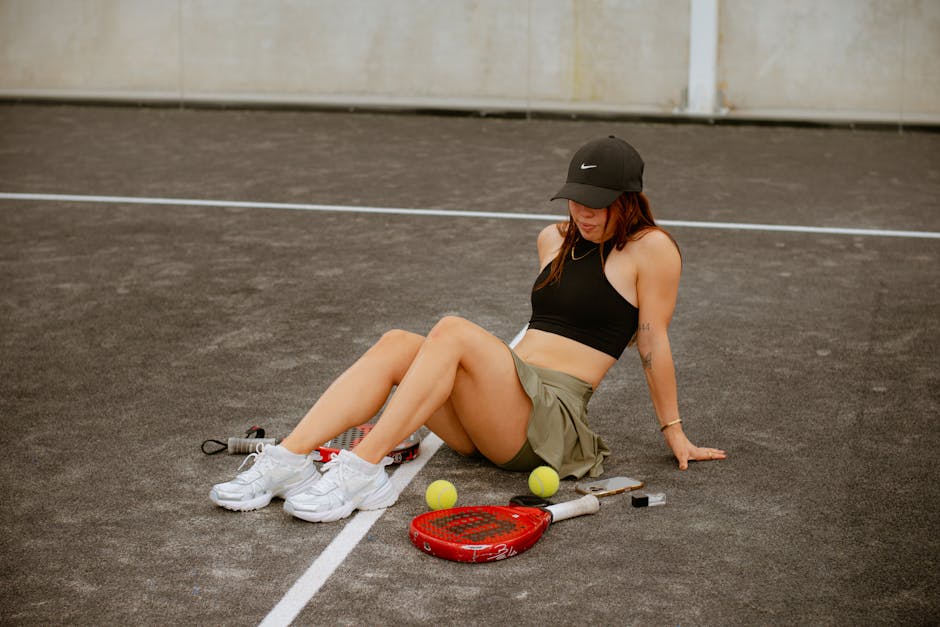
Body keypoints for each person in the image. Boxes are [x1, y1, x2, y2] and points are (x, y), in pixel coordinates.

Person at [209, 135, 726, 523]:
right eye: (576, 198)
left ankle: (362, 472)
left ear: (628, 199)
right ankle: (289, 460)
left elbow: (653, 340)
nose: (583, 211)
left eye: (597, 202)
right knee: (398, 344)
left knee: (452, 330)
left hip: (550, 421)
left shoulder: (652, 250)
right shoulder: (553, 239)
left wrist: (674, 432)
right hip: (500, 409)